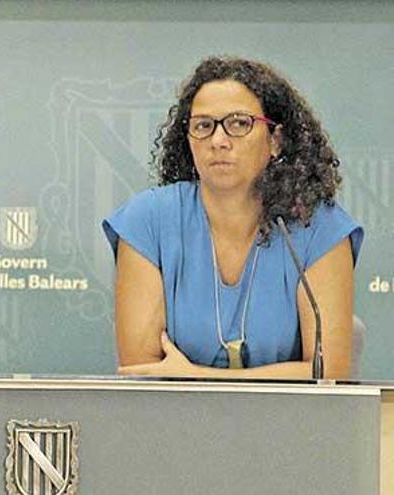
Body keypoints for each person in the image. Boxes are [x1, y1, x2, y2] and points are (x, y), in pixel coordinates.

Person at [102, 56, 362, 379]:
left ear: (276, 141)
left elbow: (328, 372)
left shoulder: (316, 225)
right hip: (174, 423)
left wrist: (198, 376)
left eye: (239, 123)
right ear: (188, 141)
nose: (219, 140)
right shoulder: (148, 222)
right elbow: (143, 372)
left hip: (289, 423)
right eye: (203, 126)